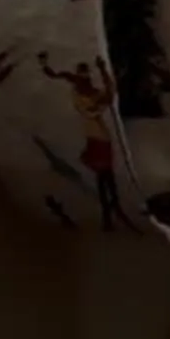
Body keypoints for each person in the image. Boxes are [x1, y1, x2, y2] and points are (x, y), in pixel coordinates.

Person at [39, 53, 136, 231]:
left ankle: (111, 210)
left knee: (106, 174)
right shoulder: (82, 91)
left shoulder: (91, 92)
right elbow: (54, 75)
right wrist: (44, 64)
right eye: (83, 75)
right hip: (95, 134)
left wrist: (103, 69)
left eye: (86, 76)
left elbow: (110, 92)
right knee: (104, 174)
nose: (85, 79)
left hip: (98, 134)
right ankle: (110, 211)